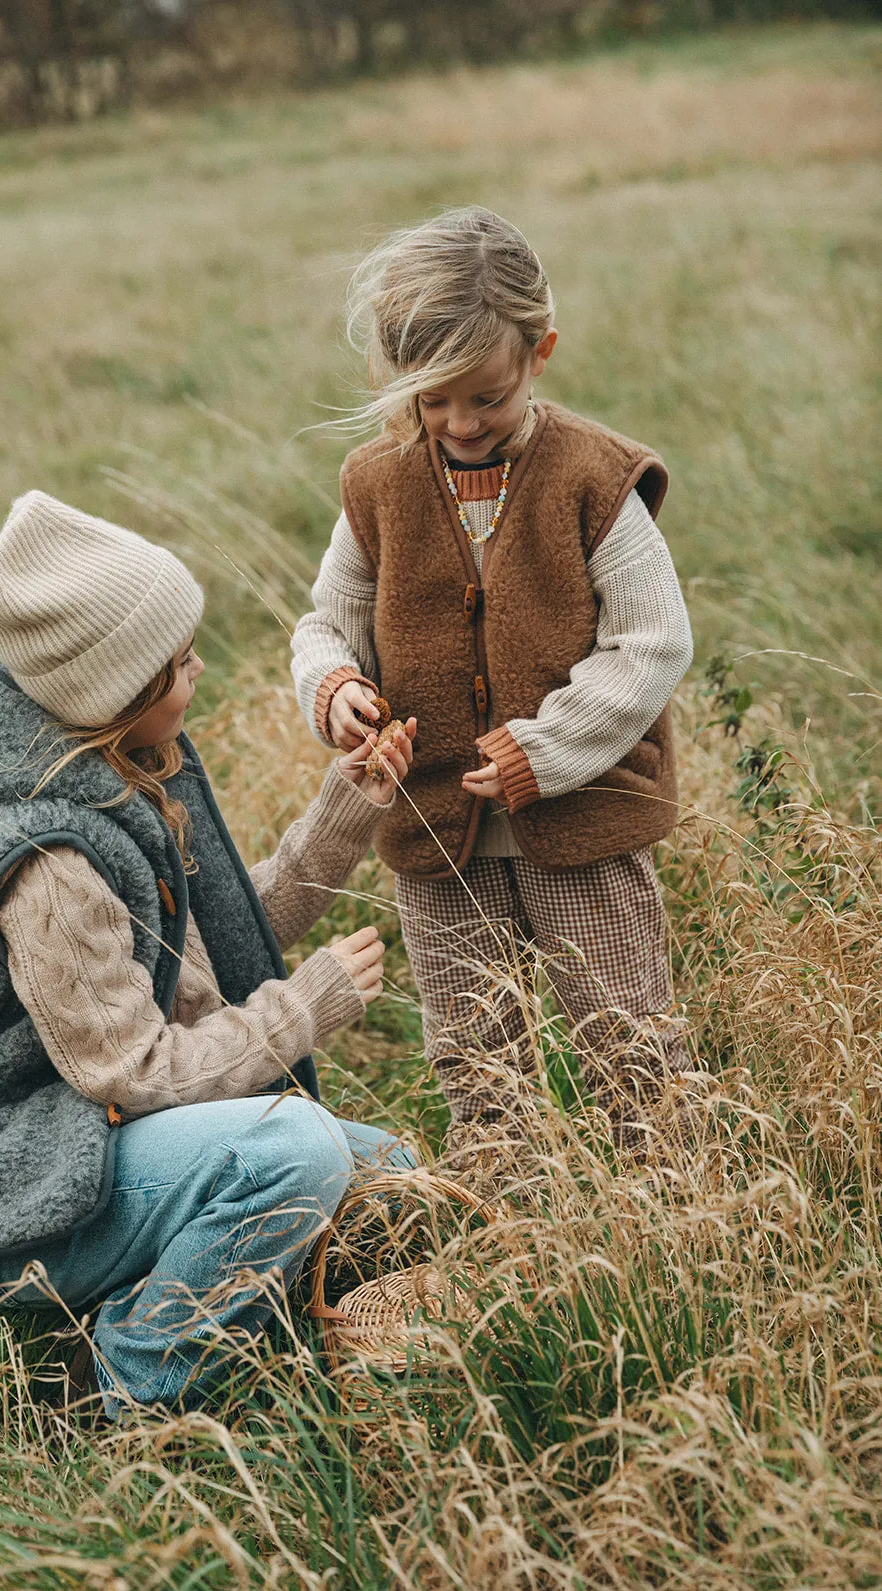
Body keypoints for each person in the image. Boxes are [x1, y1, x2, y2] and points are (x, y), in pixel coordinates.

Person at [0, 490, 417, 1421]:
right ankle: (121, 1384)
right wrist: (300, 1008)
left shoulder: (108, 776)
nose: (198, 663)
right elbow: (135, 1069)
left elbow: (215, 948)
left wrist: (349, 804)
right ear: (114, 689)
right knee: (295, 1155)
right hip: (10, 1191)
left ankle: (229, 1302)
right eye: (176, 659)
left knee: (390, 1174)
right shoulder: (50, 864)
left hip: (84, 1141)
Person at [291, 207, 694, 1140]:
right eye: (431, 401)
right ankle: (508, 1212)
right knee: (474, 1052)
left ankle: (664, 1207)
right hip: (437, 833)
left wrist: (546, 749)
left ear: (538, 352)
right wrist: (336, 689)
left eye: (485, 398)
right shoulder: (378, 484)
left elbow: (653, 643)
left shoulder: (595, 478)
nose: (459, 424)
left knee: (625, 1038)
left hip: (580, 821)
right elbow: (328, 622)